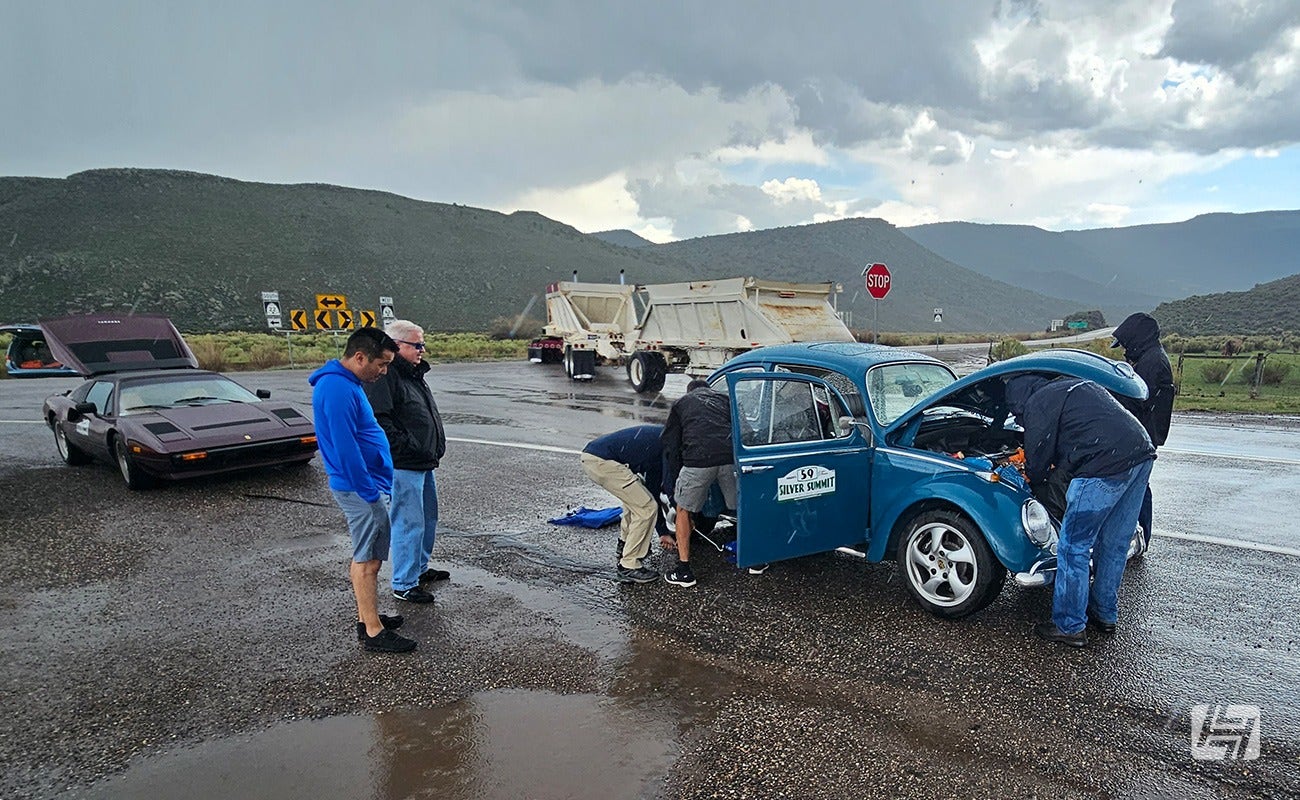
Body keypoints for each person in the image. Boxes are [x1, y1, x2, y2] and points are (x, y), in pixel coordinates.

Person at [1005, 375, 1156, 648]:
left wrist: (1033, 481)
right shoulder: (1074, 386)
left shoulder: (1036, 403)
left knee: (1073, 545)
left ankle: (1069, 625)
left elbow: (1037, 457)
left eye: (1017, 413)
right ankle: (1104, 613)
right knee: (1114, 543)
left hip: (1104, 464)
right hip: (1141, 452)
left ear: (1019, 400)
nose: (1018, 417)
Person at [310, 327, 416, 654]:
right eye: (381, 364)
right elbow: (345, 449)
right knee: (368, 560)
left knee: (369, 557)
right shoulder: (337, 389)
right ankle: (372, 630)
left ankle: (368, 616)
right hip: (360, 490)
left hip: (367, 486)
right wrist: (370, 494)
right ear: (359, 357)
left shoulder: (347, 384)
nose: (383, 371)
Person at [364, 320, 449, 605]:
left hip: (423, 461)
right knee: (408, 522)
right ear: (398, 346)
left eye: (422, 344)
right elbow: (380, 421)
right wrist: (408, 447)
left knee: (427, 519)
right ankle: (404, 582)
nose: (422, 350)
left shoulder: (413, 374)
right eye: (417, 345)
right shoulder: (386, 376)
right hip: (404, 464)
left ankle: (419, 569)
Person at [660, 379, 736, 588]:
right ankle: (755, 559)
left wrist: (676, 482)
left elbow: (671, 445)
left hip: (699, 460)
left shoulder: (682, 403)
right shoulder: (724, 399)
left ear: (689, 391)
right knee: (742, 507)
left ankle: (684, 571)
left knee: (682, 510)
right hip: (729, 457)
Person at [1110, 312, 1174, 551]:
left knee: (1137, 487)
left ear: (1137, 339)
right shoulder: (1152, 356)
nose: (1125, 350)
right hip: (1147, 433)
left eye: (1127, 344)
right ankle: (1137, 535)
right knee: (1139, 486)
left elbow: (1136, 399)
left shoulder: (1151, 363)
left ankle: (1140, 536)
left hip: (1142, 434)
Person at [581, 424, 665, 584]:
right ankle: (629, 565)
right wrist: (663, 532)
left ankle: (625, 543)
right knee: (646, 507)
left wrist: (662, 531)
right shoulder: (668, 446)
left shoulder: (662, 436)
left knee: (638, 499)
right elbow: (657, 486)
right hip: (602, 462)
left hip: (595, 456)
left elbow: (651, 487)